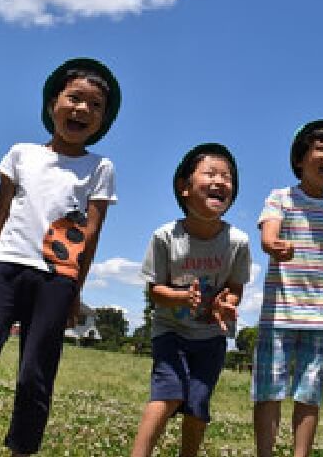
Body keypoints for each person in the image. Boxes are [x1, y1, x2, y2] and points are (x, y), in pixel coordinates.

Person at [0, 58, 121, 457]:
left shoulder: (99, 168)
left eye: (95, 106)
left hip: (57, 279)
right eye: (74, 98)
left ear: (103, 120)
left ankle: (22, 450)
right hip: (6, 269)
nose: (83, 110)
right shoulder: (22, 153)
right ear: (54, 102)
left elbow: (91, 234)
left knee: (35, 376)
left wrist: (74, 291)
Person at [252, 119, 323, 457]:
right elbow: (268, 234)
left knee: (309, 394)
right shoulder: (281, 198)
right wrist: (273, 244)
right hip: (278, 315)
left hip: (319, 318)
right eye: (320, 148)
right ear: (300, 159)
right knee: (269, 392)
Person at [132, 143, 251, 457]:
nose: (220, 181)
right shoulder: (165, 237)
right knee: (168, 394)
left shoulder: (237, 241)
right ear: (184, 187)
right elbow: (154, 291)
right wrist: (182, 297)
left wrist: (229, 302)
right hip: (170, 332)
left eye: (227, 177)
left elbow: (235, 287)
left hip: (211, 338)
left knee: (197, 405)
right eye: (210, 173)